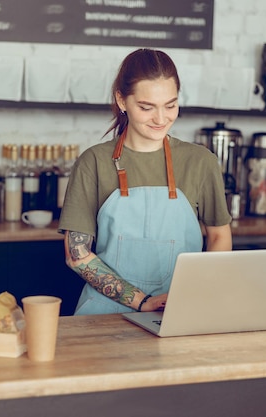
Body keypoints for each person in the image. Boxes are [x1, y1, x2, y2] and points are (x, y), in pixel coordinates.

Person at [58, 48, 232, 315]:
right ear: (121, 100)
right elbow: (77, 254)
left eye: (171, 105)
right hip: (104, 313)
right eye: (146, 107)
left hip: (180, 309)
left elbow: (219, 236)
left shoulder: (200, 162)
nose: (161, 119)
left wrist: (197, 294)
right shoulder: (93, 162)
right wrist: (141, 301)